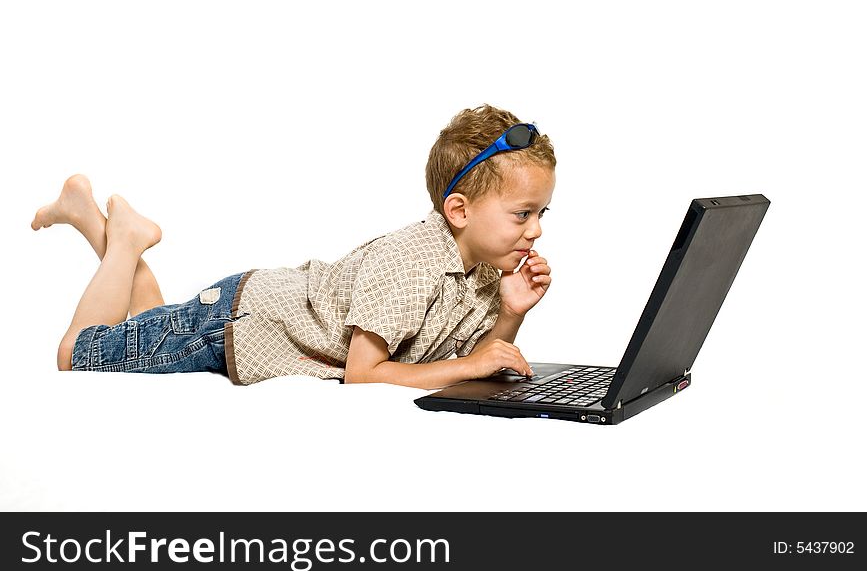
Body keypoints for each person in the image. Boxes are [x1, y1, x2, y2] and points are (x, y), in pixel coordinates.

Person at [32, 104, 556, 390]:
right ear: (459, 210)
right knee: (77, 354)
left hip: (250, 318)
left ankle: (88, 215)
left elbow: (480, 355)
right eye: (522, 214)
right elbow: (364, 374)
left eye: (540, 214)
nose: (535, 231)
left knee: (147, 322)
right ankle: (123, 241)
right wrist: (467, 369)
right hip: (237, 322)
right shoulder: (410, 265)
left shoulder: (485, 271)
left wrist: (510, 313)